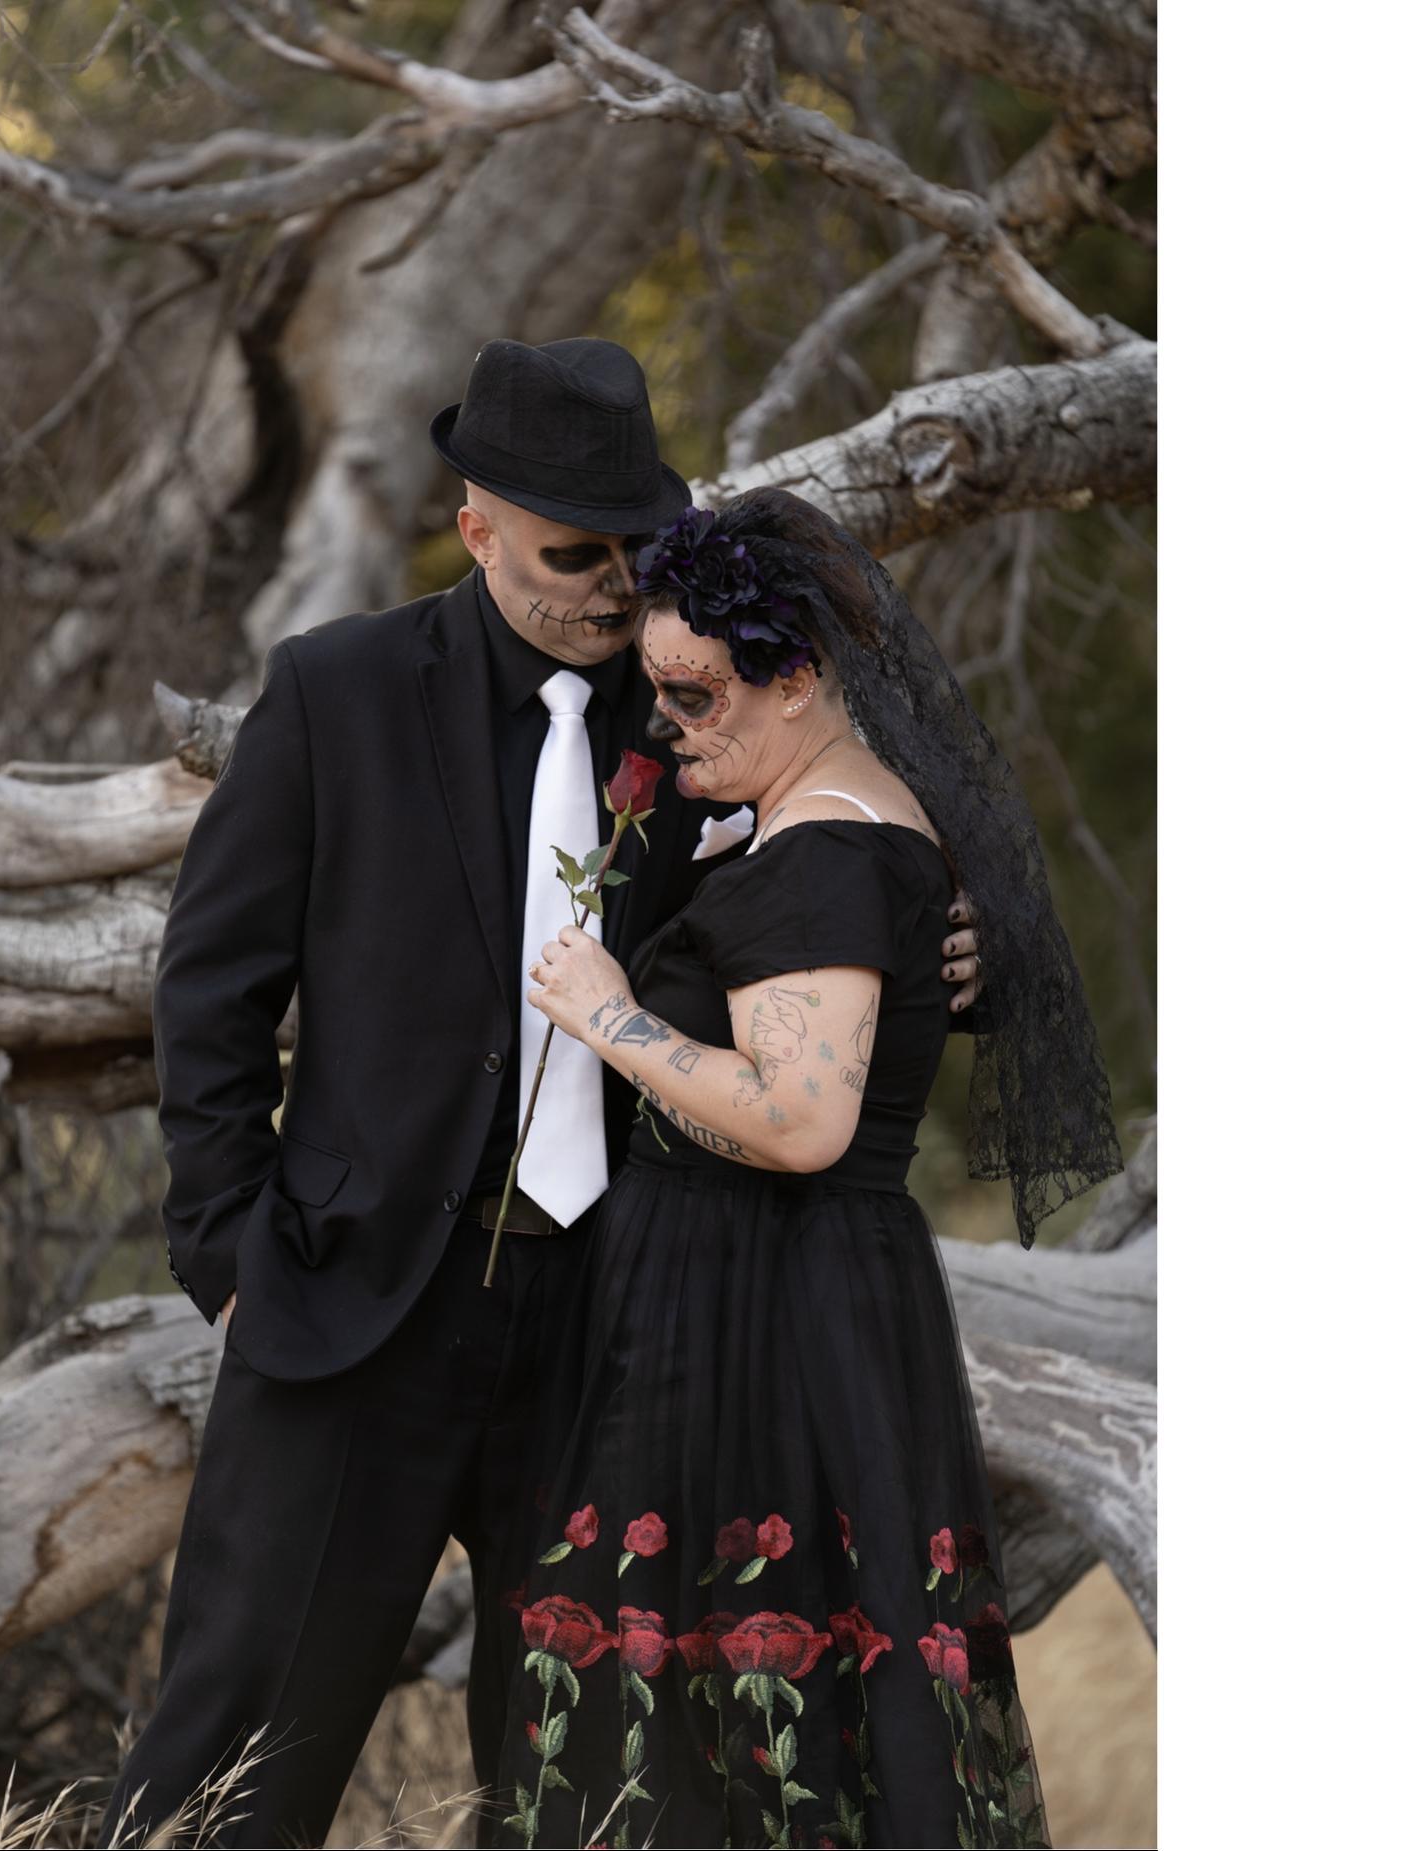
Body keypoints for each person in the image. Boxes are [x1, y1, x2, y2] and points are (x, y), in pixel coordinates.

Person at [100, 341, 983, 1847]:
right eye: (575, 555)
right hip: (353, 1305)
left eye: (636, 548)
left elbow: (839, 906)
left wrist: (955, 952)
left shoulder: (705, 708)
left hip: (621, 1324)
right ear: (478, 532)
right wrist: (229, 1252)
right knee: (234, 1761)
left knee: (604, 1781)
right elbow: (211, 987)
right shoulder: (336, 692)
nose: (614, 586)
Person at [488, 489, 1123, 1848]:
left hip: (755, 1313)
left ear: (798, 678)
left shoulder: (826, 848)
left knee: (741, 1706)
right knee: (773, 1701)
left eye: (698, 694)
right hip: (786, 1292)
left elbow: (801, 1122)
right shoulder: (821, 823)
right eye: (659, 689)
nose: (669, 723)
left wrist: (610, 1015)